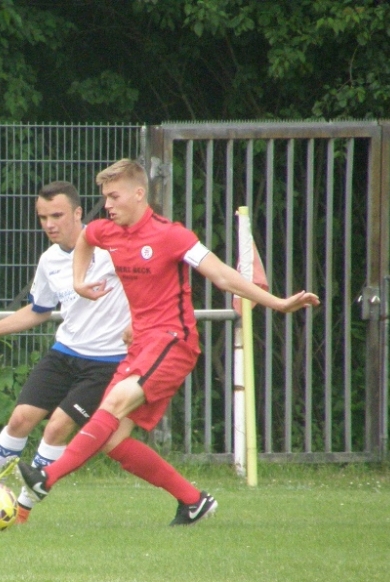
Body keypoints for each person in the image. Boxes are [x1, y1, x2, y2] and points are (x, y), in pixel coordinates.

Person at [18, 159, 321, 525]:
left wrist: (279, 303)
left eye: (113, 196)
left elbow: (223, 276)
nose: (108, 204)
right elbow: (85, 239)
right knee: (112, 442)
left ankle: (45, 480)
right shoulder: (107, 231)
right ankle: (193, 501)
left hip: (173, 341)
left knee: (111, 405)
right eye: (104, 197)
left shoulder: (171, 235)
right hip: (141, 344)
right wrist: (79, 280)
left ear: (139, 193)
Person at [0, 180, 131, 526]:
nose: (49, 224)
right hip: (64, 353)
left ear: (78, 213)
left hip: (106, 362)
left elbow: (148, 281)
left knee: (56, 429)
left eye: (57, 215)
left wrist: (139, 321)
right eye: (43, 217)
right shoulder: (49, 260)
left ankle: (20, 511)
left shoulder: (111, 246)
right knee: (19, 421)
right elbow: (39, 310)